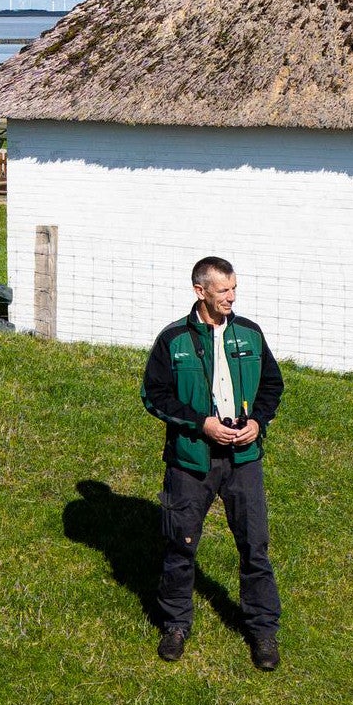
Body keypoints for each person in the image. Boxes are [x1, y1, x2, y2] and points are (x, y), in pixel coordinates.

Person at [140, 255, 285, 670]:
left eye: (234, 288)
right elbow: (155, 396)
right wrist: (201, 424)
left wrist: (257, 421)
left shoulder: (250, 334)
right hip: (191, 460)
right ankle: (175, 625)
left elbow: (273, 385)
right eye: (224, 290)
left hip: (244, 459)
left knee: (254, 547)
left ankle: (262, 631)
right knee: (180, 545)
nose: (231, 297)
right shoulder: (173, 340)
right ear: (200, 291)